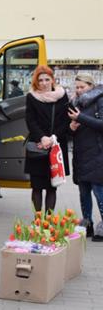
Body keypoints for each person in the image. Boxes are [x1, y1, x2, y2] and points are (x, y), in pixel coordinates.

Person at [24, 64, 70, 214]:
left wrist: (53, 137)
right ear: (36, 82)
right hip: (38, 145)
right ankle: (38, 221)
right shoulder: (32, 97)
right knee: (36, 187)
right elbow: (30, 120)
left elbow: (66, 120)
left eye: (47, 79)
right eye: (40, 80)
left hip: (56, 145)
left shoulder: (62, 96)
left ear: (52, 80)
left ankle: (49, 221)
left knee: (52, 186)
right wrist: (42, 137)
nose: (44, 83)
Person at [68, 71, 103, 240]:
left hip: (97, 153)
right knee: (83, 193)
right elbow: (69, 132)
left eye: (82, 87)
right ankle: (87, 223)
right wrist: (71, 128)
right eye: (77, 87)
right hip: (80, 154)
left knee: (99, 191)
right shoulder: (75, 103)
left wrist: (80, 117)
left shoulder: (100, 100)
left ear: (91, 86)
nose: (79, 90)